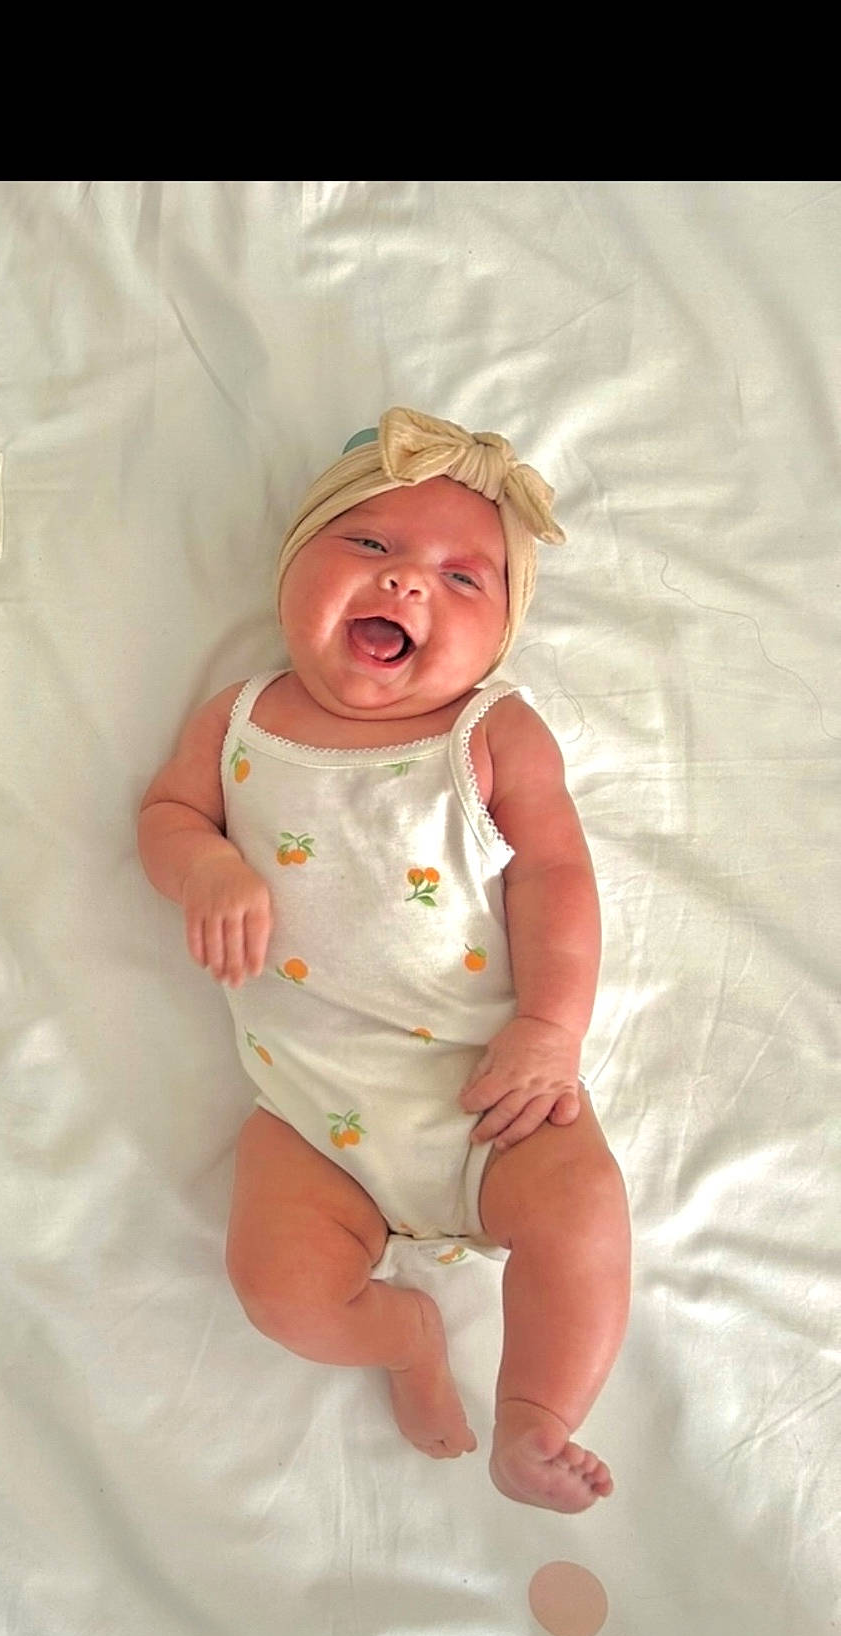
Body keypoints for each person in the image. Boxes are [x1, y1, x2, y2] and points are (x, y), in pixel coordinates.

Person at [137, 407, 631, 1513]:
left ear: (500, 634)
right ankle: (404, 1339)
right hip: (311, 1120)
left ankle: (532, 1415)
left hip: (494, 1090)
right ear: (292, 568)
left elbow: (555, 876)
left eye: (463, 579)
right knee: (279, 1291)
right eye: (369, 547)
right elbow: (166, 813)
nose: (408, 583)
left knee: (584, 1217)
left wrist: (550, 1029)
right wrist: (204, 868)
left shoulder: (489, 732)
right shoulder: (240, 719)